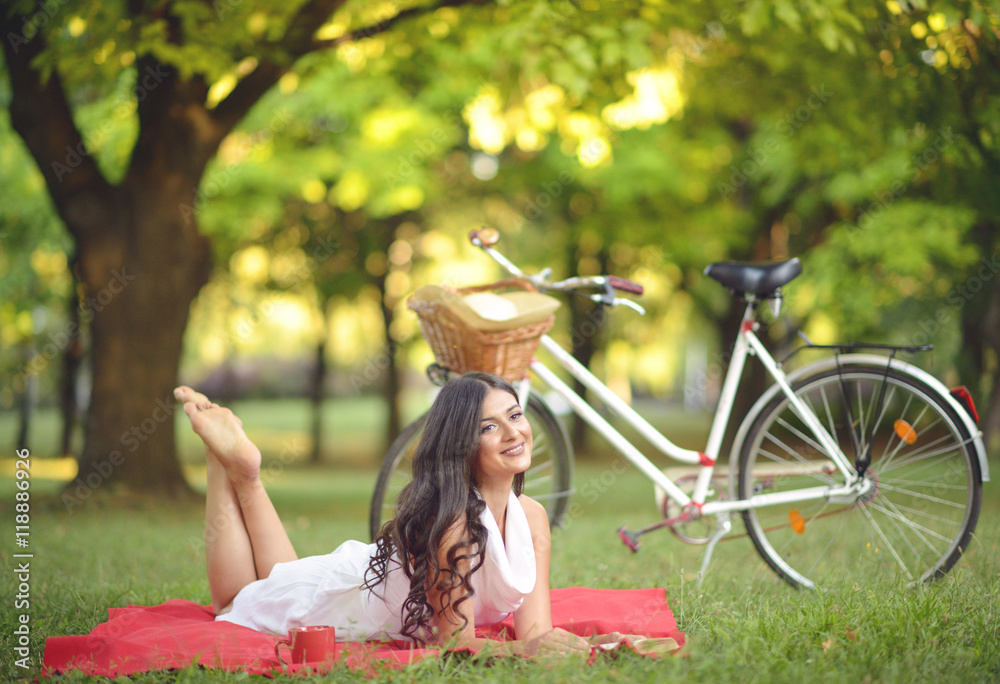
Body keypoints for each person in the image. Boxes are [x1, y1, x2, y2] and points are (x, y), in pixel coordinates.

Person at [175, 372, 592, 658]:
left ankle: (246, 475)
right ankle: (221, 460)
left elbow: (536, 634)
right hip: (337, 602)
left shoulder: (532, 516)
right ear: (461, 445)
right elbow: (456, 645)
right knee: (233, 603)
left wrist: (593, 645)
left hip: (350, 578)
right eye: (489, 427)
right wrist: (525, 650)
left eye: (515, 415)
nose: (514, 432)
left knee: (279, 577)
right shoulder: (454, 527)